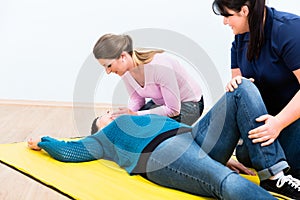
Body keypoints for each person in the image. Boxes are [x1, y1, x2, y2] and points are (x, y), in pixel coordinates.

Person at [28, 80, 300, 199]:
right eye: (105, 116)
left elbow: (189, 131)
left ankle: (272, 173)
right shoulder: (105, 136)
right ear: (99, 128)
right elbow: (71, 151)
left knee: (241, 88)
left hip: (191, 137)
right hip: (161, 153)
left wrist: (226, 157)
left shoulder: (144, 116)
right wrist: (44, 141)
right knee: (224, 182)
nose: (111, 113)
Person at [212, 0, 300, 184]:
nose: (225, 22)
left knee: (291, 160)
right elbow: (239, 89)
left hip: (291, 118)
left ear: (244, 11)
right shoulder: (239, 41)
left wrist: (278, 123)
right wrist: (237, 84)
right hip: (270, 118)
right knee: (245, 155)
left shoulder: (289, 30)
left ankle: (275, 176)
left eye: (227, 15)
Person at [92, 33, 204, 125]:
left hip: (190, 105)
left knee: (145, 128)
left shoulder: (160, 67)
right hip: (163, 104)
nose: (107, 72)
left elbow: (173, 110)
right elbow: (137, 99)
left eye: (109, 65)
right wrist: (128, 114)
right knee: (130, 123)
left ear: (123, 57)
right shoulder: (125, 72)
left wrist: (135, 115)